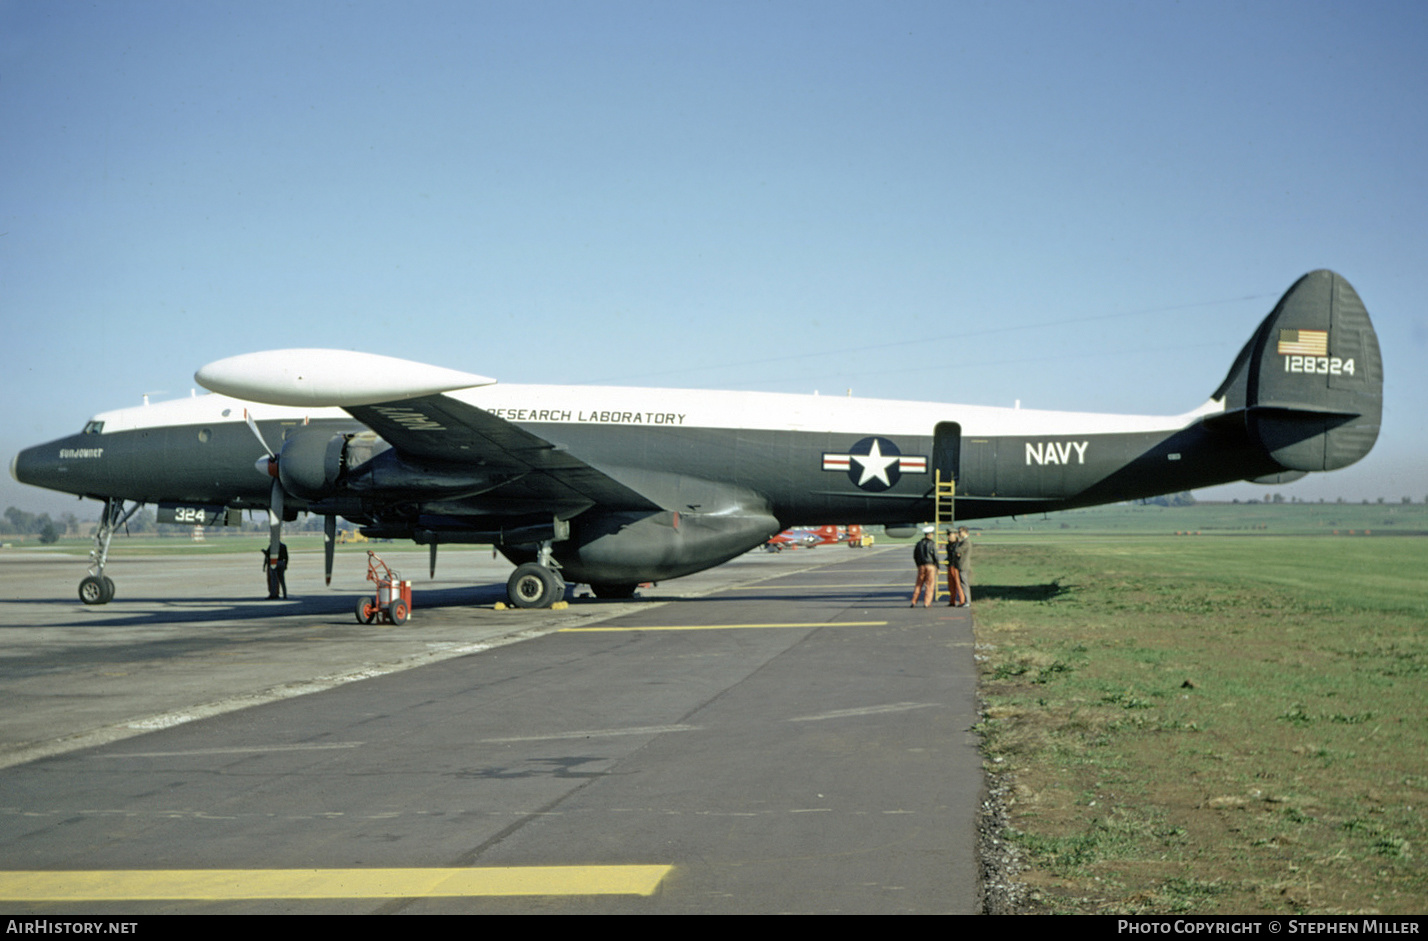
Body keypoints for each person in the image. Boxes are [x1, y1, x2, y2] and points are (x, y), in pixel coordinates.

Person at [910, 526, 939, 607]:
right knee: (929, 585)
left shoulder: (918, 544)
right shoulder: (932, 543)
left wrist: (918, 565)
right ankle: (927, 603)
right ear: (930, 535)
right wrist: (938, 566)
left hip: (921, 566)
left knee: (918, 584)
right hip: (930, 566)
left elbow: (915, 556)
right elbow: (935, 556)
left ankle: (914, 601)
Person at [948, 526, 971, 607]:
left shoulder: (966, 542)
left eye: (960, 532)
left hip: (963, 565)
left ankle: (967, 601)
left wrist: (956, 545)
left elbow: (958, 550)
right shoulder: (964, 541)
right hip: (961, 565)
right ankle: (966, 601)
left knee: (964, 584)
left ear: (965, 532)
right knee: (962, 583)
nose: (959, 533)